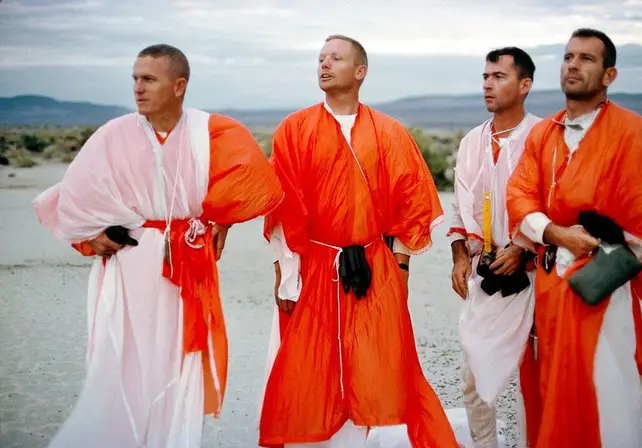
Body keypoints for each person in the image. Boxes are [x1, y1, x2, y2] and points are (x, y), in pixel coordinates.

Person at [33, 44, 284, 448]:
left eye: (148, 79)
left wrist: (222, 218)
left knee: (179, 361)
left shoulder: (211, 132)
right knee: (123, 364)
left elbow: (256, 179)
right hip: (129, 268)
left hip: (189, 266)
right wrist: (92, 237)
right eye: (134, 78)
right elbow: (74, 199)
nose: (138, 87)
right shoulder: (112, 135)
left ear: (179, 85)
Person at [258, 34, 459, 448]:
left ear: (360, 71)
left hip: (374, 263)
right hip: (313, 263)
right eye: (320, 58)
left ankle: (376, 437)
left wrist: (400, 268)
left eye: (335, 58)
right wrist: (284, 276)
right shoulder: (295, 129)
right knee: (309, 362)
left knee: (381, 360)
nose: (324, 65)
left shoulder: (388, 131)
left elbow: (411, 204)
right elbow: (280, 210)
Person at [506, 28, 642, 448]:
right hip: (549, 283)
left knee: (607, 386)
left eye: (586, 59)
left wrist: (605, 239)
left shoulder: (631, 133)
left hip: (604, 284)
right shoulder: (543, 133)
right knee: (551, 383)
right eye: (568, 57)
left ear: (609, 75)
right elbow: (519, 194)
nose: (572, 65)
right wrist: (554, 232)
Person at [448, 47, 541, 448]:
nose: (487, 84)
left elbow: (555, 205)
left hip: (537, 271)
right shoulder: (473, 141)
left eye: (499, 77)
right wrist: (458, 255)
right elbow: (459, 202)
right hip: (486, 268)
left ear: (525, 85)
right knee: (474, 371)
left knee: (532, 375)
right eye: (485, 76)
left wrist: (523, 248)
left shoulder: (543, 135)